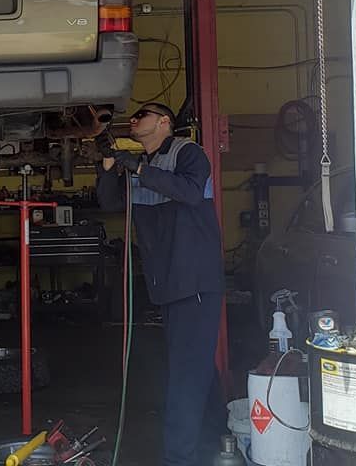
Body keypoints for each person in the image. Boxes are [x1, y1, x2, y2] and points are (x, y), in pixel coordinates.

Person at [96, 102, 225, 466]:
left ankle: (178, 458)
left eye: (143, 114)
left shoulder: (188, 153)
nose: (134, 120)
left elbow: (188, 191)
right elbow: (109, 202)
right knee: (194, 364)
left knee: (185, 372)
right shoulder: (144, 168)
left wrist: (138, 167)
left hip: (195, 281)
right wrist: (106, 167)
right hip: (168, 283)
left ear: (164, 122)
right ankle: (223, 436)